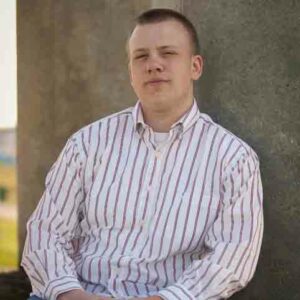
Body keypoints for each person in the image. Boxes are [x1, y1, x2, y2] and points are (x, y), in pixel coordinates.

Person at [22, 8, 263, 300]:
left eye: (168, 53)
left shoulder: (234, 159)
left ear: (195, 66)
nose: (154, 65)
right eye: (141, 56)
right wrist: (70, 293)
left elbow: (232, 256)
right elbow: (45, 232)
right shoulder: (87, 143)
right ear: (131, 71)